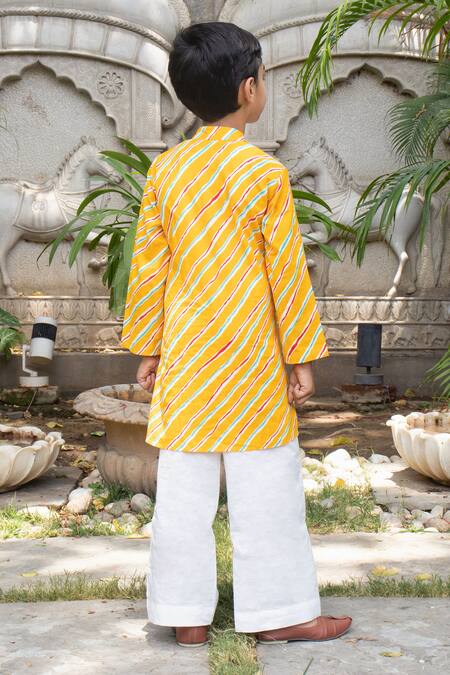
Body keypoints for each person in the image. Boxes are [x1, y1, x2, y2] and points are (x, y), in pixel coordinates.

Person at [120, 21, 352, 648]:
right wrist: (302, 357)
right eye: (264, 78)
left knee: (183, 490)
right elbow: (286, 274)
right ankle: (280, 613)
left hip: (190, 360)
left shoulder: (166, 173)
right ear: (249, 89)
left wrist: (149, 347)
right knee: (267, 486)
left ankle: (185, 614)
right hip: (252, 359)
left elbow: (150, 268)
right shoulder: (264, 175)